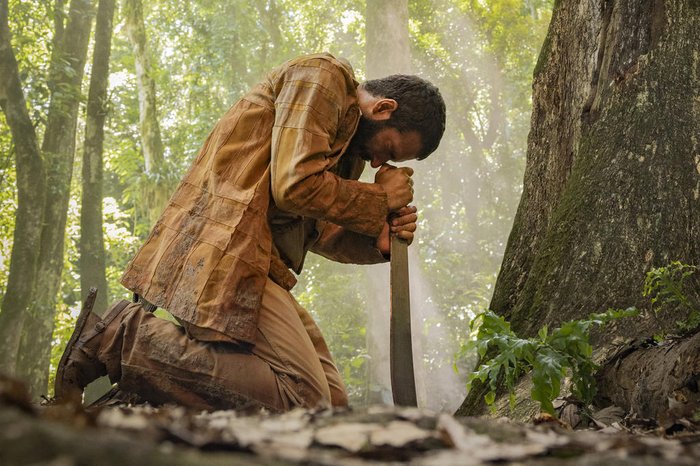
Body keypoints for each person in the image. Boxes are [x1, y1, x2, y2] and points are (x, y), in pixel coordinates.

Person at [55, 53, 446, 412]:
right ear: (383, 108)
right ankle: (119, 338)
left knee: (333, 409)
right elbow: (294, 187)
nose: (379, 161)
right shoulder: (324, 77)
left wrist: (374, 242)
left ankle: (150, 383)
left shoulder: (346, 152)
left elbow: (317, 232)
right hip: (224, 251)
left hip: (259, 267)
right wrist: (379, 198)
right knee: (304, 402)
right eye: (389, 150)